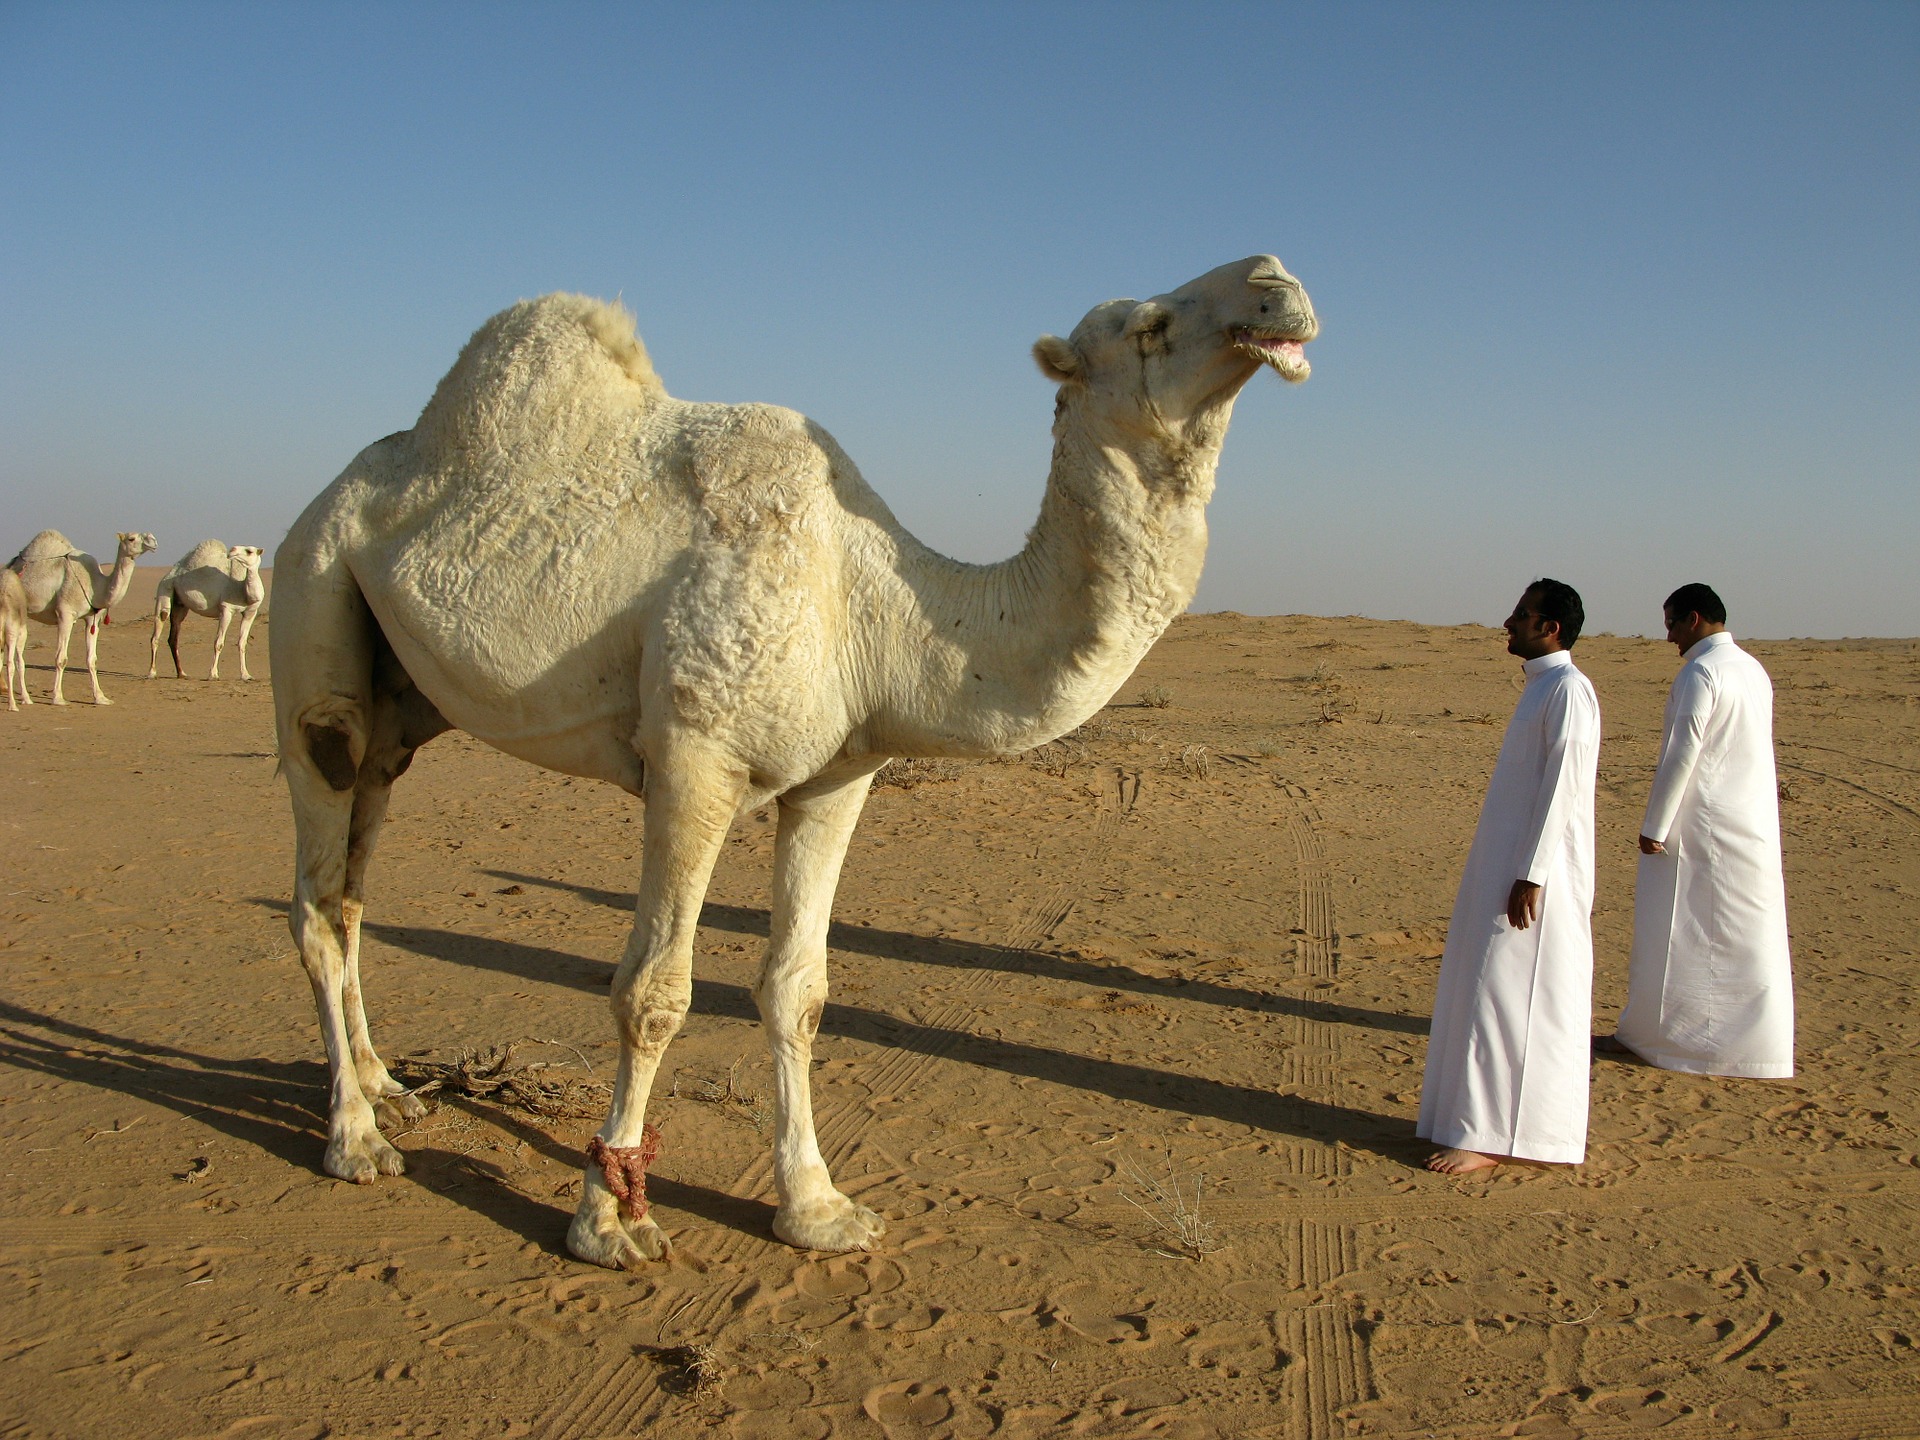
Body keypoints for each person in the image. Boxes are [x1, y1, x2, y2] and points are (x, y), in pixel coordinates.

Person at [1419, 579, 1601, 1174]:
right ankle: (1478, 1123)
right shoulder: (1543, 688)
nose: (1506, 623)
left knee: (1511, 995)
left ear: (1549, 627)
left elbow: (1563, 791)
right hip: (1510, 863)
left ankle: (1495, 1138)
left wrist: (1533, 873)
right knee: (1488, 991)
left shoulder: (1569, 691)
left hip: (1534, 876)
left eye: (1520, 615)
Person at [1603, 584, 1794, 1076]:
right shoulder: (1752, 668)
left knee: (1680, 928)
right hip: (1748, 820)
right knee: (1737, 931)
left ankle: (1685, 1043)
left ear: (1693, 619)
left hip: (1700, 820)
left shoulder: (1702, 671)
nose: (1668, 637)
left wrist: (1655, 823)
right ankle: (1654, 1031)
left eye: (1670, 624)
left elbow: (1682, 751)